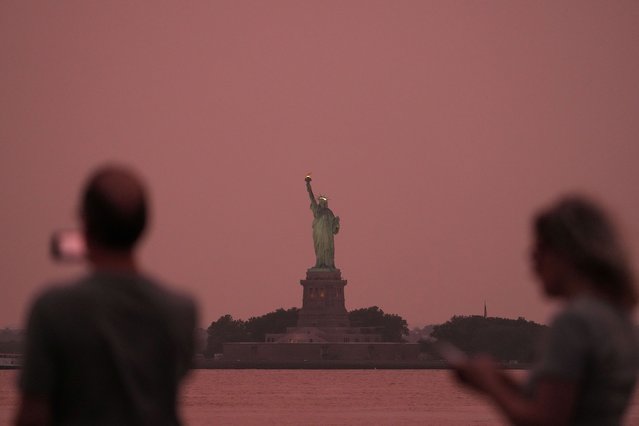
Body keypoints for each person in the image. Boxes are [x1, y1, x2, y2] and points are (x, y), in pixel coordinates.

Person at [15, 165, 198, 426]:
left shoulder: (52, 308)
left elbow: (32, 415)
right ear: (143, 226)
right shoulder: (181, 310)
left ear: (86, 225)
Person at [453, 195, 639, 425]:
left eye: (542, 247)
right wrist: (499, 380)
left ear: (569, 253)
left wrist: (489, 386)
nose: (532, 258)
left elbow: (545, 420)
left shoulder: (574, 322)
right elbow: (570, 405)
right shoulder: (620, 322)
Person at [305, 176, 340, 270]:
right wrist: (308, 187)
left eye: (324, 202)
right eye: (321, 202)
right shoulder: (317, 211)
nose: (323, 203)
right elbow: (312, 198)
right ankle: (319, 264)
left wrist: (336, 223)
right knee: (320, 249)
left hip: (328, 236)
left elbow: (334, 230)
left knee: (328, 249)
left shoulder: (329, 212)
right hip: (319, 234)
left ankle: (328, 265)